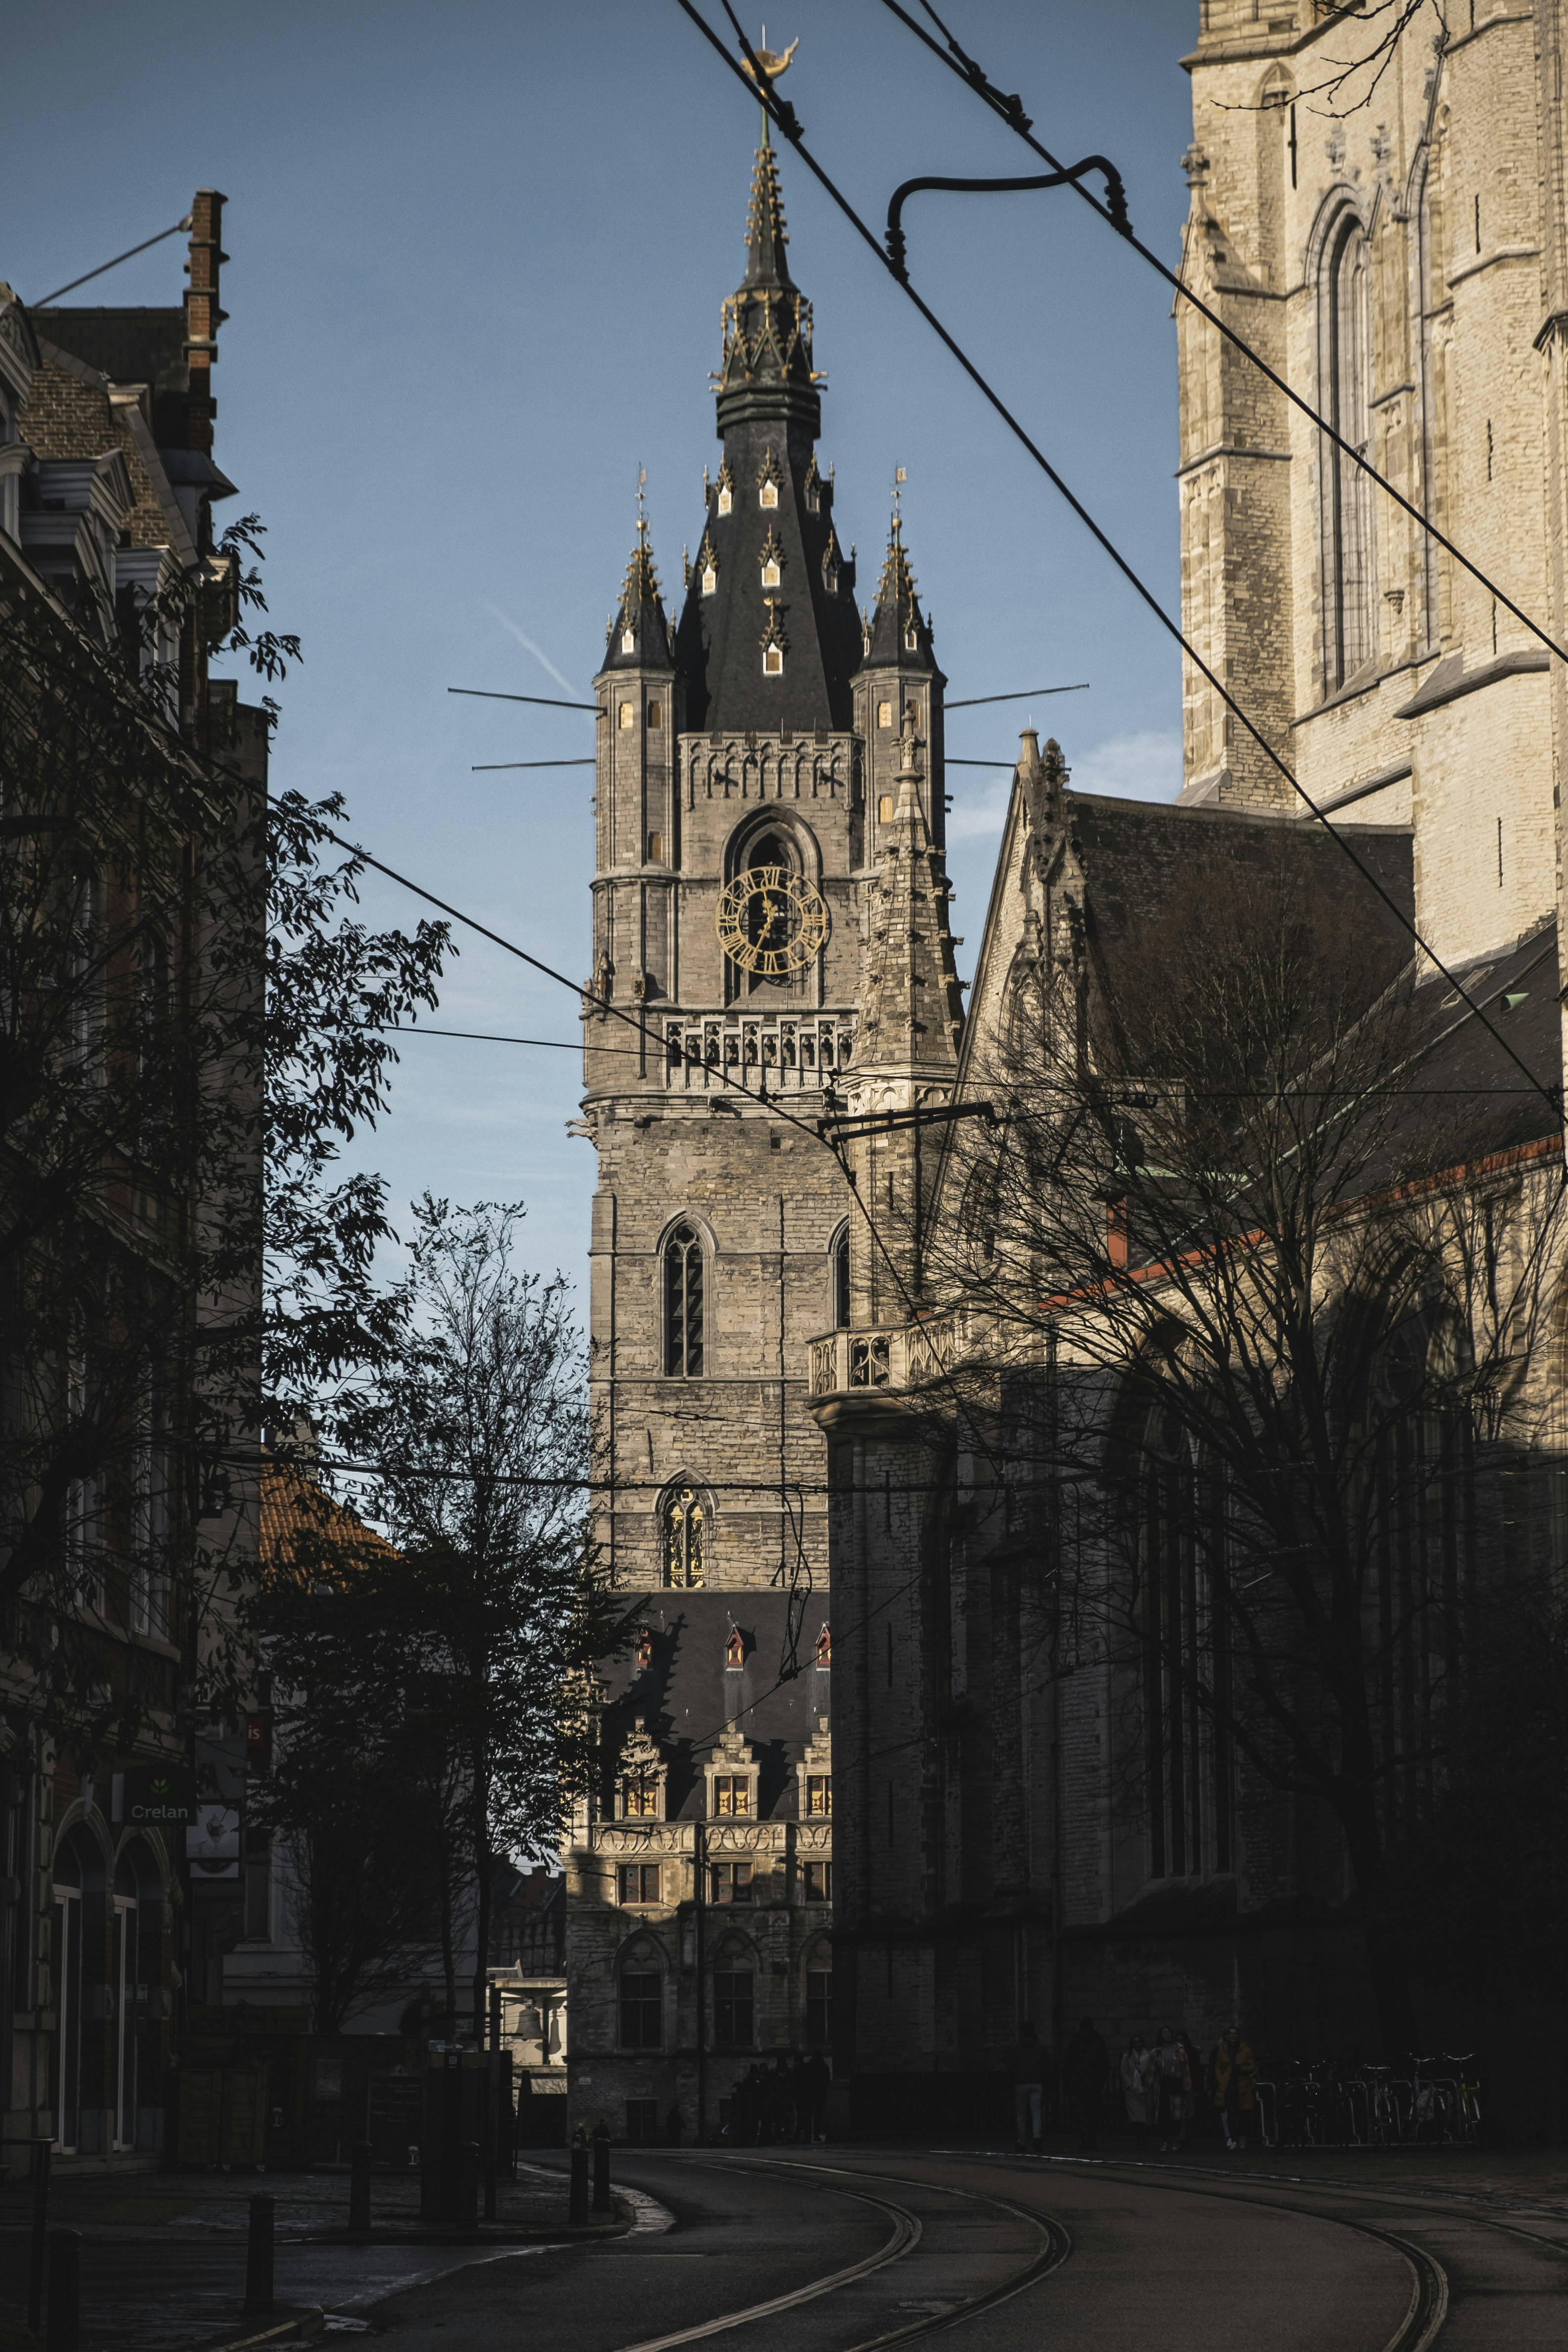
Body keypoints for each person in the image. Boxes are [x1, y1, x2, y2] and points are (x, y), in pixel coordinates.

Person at [1062, 2016, 1110, 2153]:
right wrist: (1101, 2081)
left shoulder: (1075, 2041)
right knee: (1094, 2114)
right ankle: (1093, 2142)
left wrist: (1068, 2083)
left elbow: (1068, 2064)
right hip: (1095, 2084)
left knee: (1082, 2114)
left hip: (1079, 2084)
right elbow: (1105, 2064)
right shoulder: (1099, 2041)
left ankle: (1084, 2142)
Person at [1212, 2023, 1257, 2150]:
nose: (1233, 2036)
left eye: (1235, 2034)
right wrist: (1221, 2080)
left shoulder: (1245, 2049)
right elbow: (1218, 2067)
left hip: (1241, 2087)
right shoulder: (1223, 2050)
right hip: (1229, 2086)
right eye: (1231, 2034)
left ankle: (1242, 2136)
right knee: (1231, 2116)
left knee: (1243, 2116)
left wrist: (1242, 2069)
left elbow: (1252, 2066)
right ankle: (1235, 2139)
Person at [1153, 2025, 1190, 2153]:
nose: (1168, 2034)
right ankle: (1164, 2140)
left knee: (1177, 2115)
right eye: (1165, 2033)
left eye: (1169, 2032)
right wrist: (1147, 2087)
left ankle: (1176, 2139)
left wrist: (1187, 2085)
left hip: (1176, 2082)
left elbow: (1186, 2069)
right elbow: (1152, 2070)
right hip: (1164, 2083)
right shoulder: (1157, 2051)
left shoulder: (1180, 2049)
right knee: (1163, 2114)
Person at [1012, 2019, 1046, 2153]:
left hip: (1021, 2083)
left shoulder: (1017, 2048)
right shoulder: (1040, 2048)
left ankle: (1022, 2142)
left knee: (1021, 2114)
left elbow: (1010, 2066)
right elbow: (1047, 2065)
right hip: (1037, 2083)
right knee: (1036, 2113)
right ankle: (1037, 2137)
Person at [1120, 2032, 1154, 2148]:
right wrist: (1130, 2086)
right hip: (1133, 2091)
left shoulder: (1148, 2056)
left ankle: (1143, 2137)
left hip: (1145, 2089)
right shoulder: (1127, 2057)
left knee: (1145, 2116)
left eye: (1139, 2042)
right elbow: (1124, 2072)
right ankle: (1139, 2137)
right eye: (1135, 2043)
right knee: (1136, 2117)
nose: (1138, 2044)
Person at [802, 2049, 832, 2143]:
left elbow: (804, 2081)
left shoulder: (807, 2066)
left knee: (808, 2116)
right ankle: (816, 2135)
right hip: (820, 2094)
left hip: (809, 2094)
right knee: (818, 2115)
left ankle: (807, 2137)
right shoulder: (824, 2067)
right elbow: (827, 2081)